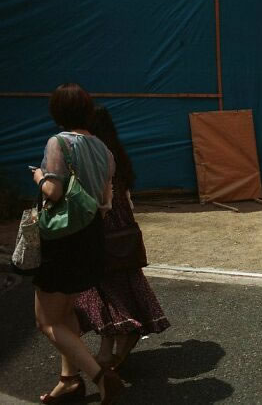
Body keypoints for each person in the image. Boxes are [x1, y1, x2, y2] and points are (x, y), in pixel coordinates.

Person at [31, 83, 125, 403]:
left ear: (57, 113)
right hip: (91, 237)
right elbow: (105, 198)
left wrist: (39, 177)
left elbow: (54, 193)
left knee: (45, 320)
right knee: (67, 311)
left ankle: (102, 377)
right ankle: (69, 381)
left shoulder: (58, 143)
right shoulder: (103, 148)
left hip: (63, 239)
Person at [75, 106, 170, 370]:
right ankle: (117, 347)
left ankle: (109, 350)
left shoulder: (91, 156)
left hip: (101, 229)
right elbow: (126, 196)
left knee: (101, 287)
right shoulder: (117, 153)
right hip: (123, 231)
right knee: (123, 284)